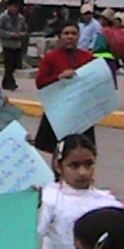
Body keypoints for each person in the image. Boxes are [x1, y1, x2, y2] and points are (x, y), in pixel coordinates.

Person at [34, 22, 97, 153]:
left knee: (80, 151)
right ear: (60, 36)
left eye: (73, 33)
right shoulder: (51, 58)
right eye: (66, 33)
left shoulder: (88, 58)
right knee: (57, 152)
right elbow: (40, 82)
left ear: (79, 36)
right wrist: (59, 77)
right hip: (58, 112)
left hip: (81, 113)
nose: (70, 37)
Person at [0, 0, 27, 90]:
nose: (13, 9)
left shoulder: (21, 18)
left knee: (14, 65)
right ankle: (10, 83)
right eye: (11, 6)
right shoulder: (3, 17)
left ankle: (6, 82)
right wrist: (11, 35)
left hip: (17, 45)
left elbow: (25, 30)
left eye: (15, 6)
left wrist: (20, 35)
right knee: (8, 65)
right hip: (7, 44)